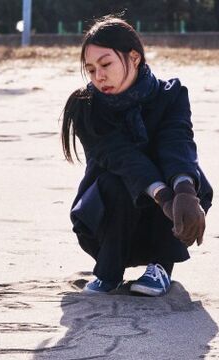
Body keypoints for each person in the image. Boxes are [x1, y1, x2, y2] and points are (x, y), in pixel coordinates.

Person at [61, 16, 213, 296]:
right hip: (106, 220)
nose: (98, 76)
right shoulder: (86, 107)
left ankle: (160, 267)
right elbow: (121, 157)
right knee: (117, 179)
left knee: (186, 176)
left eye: (106, 64)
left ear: (134, 57)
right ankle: (108, 272)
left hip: (167, 223)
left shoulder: (172, 95)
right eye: (91, 69)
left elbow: (177, 141)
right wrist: (163, 197)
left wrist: (183, 191)